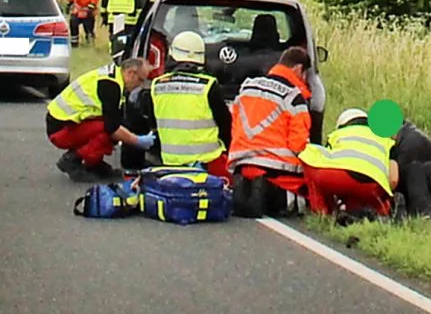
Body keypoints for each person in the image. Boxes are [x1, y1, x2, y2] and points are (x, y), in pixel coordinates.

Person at [226, 46, 315, 217]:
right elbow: (299, 146)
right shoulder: (294, 97)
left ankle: (245, 190)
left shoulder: (247, 87)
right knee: (304, 198)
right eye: (305, 75)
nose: (305, 80)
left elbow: (233, 124)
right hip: (277, 172)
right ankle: (269, 194)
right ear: (298, 69)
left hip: (241, 165)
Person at [45, 55, 161, 181]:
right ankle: (72, 160)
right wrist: (137, 141)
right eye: (140, 80)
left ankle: (94, 163)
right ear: (130, 73)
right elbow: (112, 127)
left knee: (115, 127)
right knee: (109, 130)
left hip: (68, 124)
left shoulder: (114, 77)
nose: (141, 85)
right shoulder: (110, 85)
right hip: (60, 130)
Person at [149, 30, 230, 175]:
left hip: (170, 164)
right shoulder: (208, 85)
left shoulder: (157, 85)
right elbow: (225, 124)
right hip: (208, 163)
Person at [301, 107, 397, 220]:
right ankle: (378, 215)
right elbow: (393, 177)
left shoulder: (338, 134)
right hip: (373, 188)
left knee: (309, 157)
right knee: (359, 196)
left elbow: (326, 162)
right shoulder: (385, 140)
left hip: (343, 179)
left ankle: (321, 213)